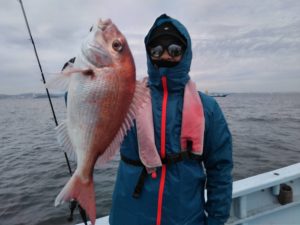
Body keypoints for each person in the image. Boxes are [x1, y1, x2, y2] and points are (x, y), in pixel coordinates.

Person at [109, 14, 233, 225]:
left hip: (186, 219)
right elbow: (86, 106)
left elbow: (220, 170)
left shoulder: (208, 108)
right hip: (129, 217)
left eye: (174, 49)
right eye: (156, 50)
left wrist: (216, 220)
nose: (165, 56)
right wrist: (86, 74)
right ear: (148, 54)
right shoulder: (126, 99)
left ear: (186, 53)